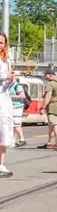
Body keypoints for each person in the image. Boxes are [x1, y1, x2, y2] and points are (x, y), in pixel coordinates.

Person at [40, 68, 57, 150]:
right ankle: (50, 142)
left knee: (55, 125)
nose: (44, 76)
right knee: (51, 125)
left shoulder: (50, 84)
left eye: (45, 74)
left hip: (53, 106)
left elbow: (48, 96)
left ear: (50, 75)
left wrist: (43, 107)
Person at [0, 34, 14, 177]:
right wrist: (5, 76)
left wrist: (10, 80)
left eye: (1, 43)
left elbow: (6, 85)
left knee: (3, 131)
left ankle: (1, 164)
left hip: (3, 100)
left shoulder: (5, 62)